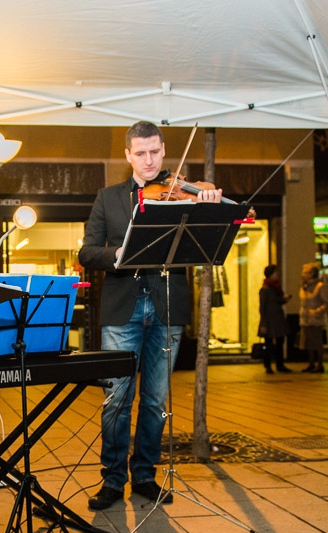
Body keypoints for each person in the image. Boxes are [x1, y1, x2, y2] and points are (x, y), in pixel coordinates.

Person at [78, 120, 222, 511]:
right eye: (140, 153)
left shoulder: (182, 194)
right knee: (117, 400)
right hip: (122, 308)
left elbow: (205, 241)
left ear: (164, 151)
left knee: (156, 400)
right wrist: (118, 253)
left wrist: (208, 205)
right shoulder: (108, 198)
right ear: (128, 155)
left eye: (155, 152)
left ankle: (144, 476)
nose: (148, 160)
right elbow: (87, 252)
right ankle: (112, 480)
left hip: (166, 306)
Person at [257, 264, 291, 374]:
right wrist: (263, 323)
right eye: (276, 272)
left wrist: (285, 299)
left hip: (278, 318)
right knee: (269, 343)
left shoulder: (276, 287)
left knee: (280, 341)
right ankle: (268, 365)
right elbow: (262, 306)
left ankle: (280, 364)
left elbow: (277, 301)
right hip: (269, 320)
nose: (278, 274)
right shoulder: (265, 289)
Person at [298, 264, 328, 373]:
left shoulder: (320, 287)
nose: (303, 274)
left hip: (315, 319)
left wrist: (317, 312)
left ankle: (320, 364)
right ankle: (311, 363)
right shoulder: (304, 287)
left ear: (312, 274)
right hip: (305, 318)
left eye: (305, 272)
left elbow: (327, 302)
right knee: (308, 341)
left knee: (317, 341)